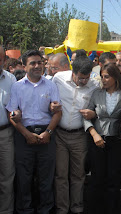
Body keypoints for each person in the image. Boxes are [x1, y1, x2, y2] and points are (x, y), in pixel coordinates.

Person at [6, 50, 62, 213]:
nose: (37, 66)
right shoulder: (17, 87)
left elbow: (58, 112)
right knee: (24, 178)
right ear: (24, 66)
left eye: (40, 62)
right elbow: (12, 114)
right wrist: (26, 134)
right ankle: (25, 210)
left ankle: (46, 209)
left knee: (46, 178)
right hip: (24, 136)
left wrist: (48, 133)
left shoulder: (51, 85)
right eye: (33, 63)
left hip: (47, 135)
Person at [84, 64, 121, 214]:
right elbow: (87, 116)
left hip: (117, 139)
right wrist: (94, 134)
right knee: (97, 176)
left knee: (114, 177)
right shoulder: (97, 93)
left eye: (107, 76)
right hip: (98, 139)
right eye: (102, 76)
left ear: (115, 77)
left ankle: (112, 209)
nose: (104, 79)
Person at [52, 56, 99, 214]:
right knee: (61, 175)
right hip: (59, 135)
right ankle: (62, 209)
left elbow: (99, 107)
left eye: (86, 78)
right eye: (81, 78)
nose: (84, 81)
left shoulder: (94, 85)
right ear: (73, 72)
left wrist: (94, 113)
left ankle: (77, 207)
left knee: (78, 175)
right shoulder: (58, 79)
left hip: (80, 136)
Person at [0, 46, 17, 214]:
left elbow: (14, 106)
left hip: (5, 134)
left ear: (4, 61)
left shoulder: (10, 79)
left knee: (7, 176)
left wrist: (16, 112)